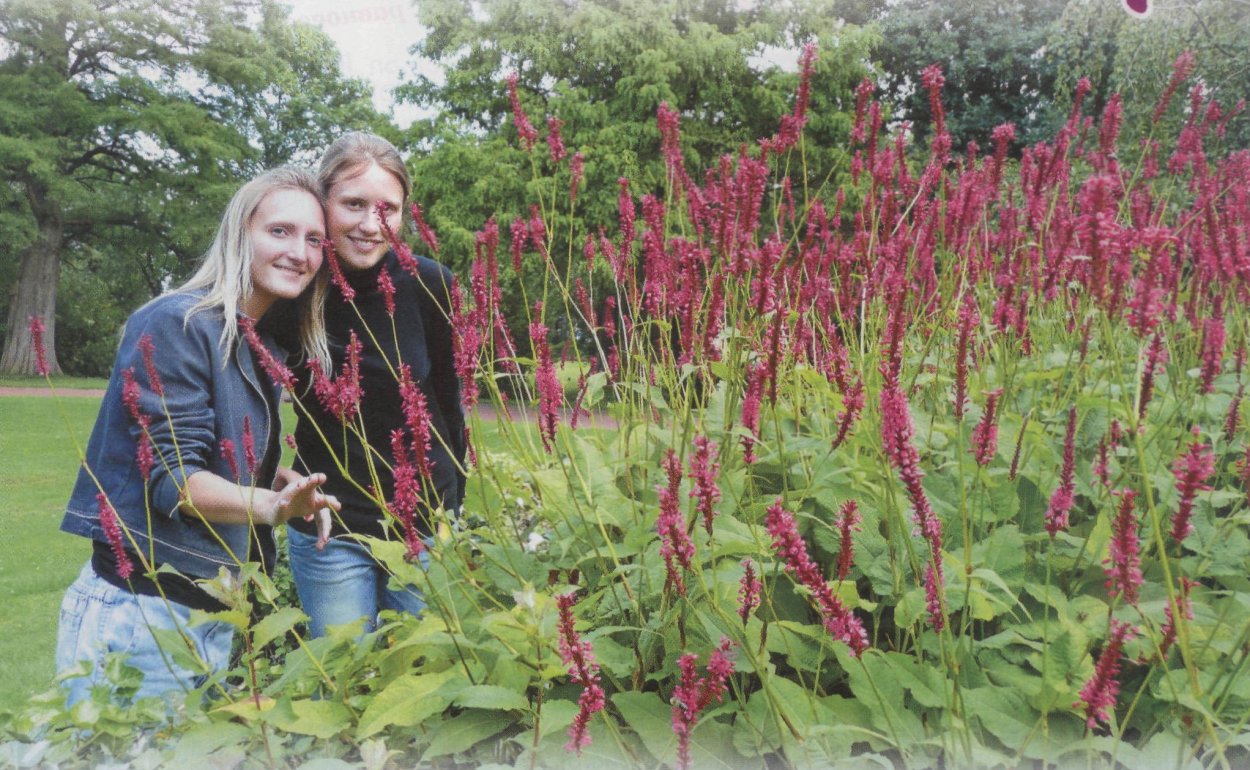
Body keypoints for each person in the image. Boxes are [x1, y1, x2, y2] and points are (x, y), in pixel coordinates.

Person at [56, 167, 340, 706]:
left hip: (204, 613)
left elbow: (213, 453)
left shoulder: (255, 343)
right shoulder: (177, 324)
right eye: (279, 231)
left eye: (313, 240)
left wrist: (276, 479)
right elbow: (175, 479)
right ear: (239, 233)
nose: (299, 252)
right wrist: (273, 506)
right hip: (143, 616)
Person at [277, 132, 466, 638]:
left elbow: (449, 401)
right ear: (323, 202)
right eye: (354, 204)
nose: (369, 224)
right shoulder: (293, 285)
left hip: (424, 526)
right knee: (345, 674)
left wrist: (454, 505)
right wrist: (266, 479)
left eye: (387, 209)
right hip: (329, 529)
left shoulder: (430, 284)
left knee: (423, 672)